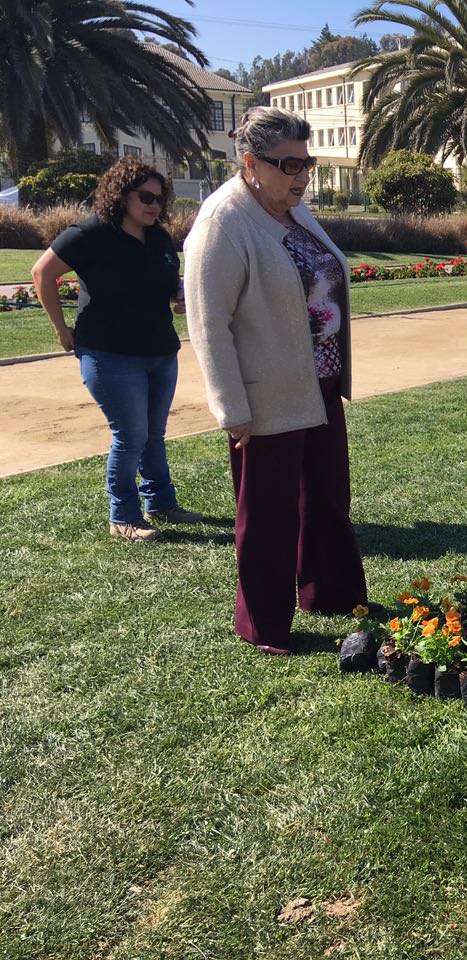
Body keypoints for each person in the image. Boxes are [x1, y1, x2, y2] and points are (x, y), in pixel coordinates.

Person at [184, 106, 368, 656]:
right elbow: (207, 320)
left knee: (329, 499)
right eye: (288, 164)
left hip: (320, 385)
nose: (301, 176)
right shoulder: (224, 222)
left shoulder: (296, 210)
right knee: (267, 514)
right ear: (250, 162)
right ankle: (263, 624)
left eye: (306, 163)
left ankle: (331, 594)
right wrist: (230, 407)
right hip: (264, 399)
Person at [30, 157, 204, 542]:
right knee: (130, 435)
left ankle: (161, 502)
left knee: (153, 434)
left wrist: (179, 295)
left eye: (160, 198)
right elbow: (42, 273)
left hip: (160, 350)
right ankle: (123, 516)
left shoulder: (157, 237)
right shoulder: (91, 233)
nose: (154, 205)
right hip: (108, 354)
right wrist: (61, 329)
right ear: (120, 195)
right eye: (145, 196)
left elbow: (166, 280)